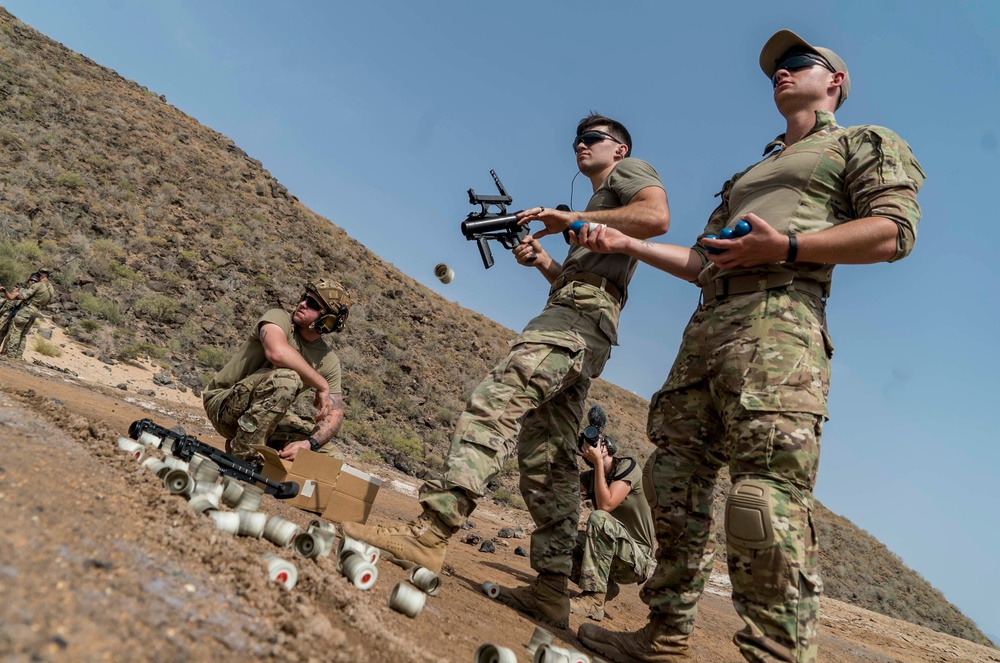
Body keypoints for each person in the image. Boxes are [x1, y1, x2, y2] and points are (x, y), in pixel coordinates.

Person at [574, 31, 924, 662]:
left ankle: (777, 654)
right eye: (775, 69)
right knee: (674, 482)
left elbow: (894, 232)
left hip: (780, 323)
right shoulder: (750, 174)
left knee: (763, 496)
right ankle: (665, 635)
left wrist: (786, 247)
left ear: (835, 82)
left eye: (798, 64)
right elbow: (699, 261)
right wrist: (628, 246)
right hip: (709, 326)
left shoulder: (860, 142)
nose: (781, 73)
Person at [341, 112, 670, 629]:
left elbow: (656, 218)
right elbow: (579, 279)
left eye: (591, 139)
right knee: (548, 455)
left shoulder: (629, 178)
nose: (579, 146)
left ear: (619, 150)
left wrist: (573, 222)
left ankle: (430, 534)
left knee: (497, 400)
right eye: (576, 140)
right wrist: (543, 259)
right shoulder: (599, 206)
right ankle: (553, 589)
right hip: (581, 318)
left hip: (572, 325)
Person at [202, 279, 350, 463]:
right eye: (305, 297)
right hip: (223, 407)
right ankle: (243, 456)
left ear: (327, 320)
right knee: (288, 379)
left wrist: (309, 444)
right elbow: (277, 353)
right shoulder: (278, 318)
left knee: (331, 458)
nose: (302, 303)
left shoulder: (328, 360)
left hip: (263, 418)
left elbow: (336, 413)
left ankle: (266, 463)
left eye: (312, 304)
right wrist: (321, 384)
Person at [570, 405, 655, 622]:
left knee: (599, 518)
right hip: (612, 552)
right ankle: (604, 587)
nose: (596, 445)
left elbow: (606, 505)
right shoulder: (591, 477)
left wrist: (598, 462)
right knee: (563, 537)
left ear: (607, 442)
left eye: (598, 439)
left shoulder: (628, 467)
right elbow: (562, 493)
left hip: (636, 558)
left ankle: (594, 601)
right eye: (590, 445)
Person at [0, 269, 55, 359]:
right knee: (23, 333)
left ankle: (10, 355)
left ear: (42, 276)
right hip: (36, 311)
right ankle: (18, 356)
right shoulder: (51, 288)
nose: (34, 281)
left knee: (16, 332)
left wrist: (17, 294)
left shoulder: (37, 285)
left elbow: (21, 297)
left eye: (37, 277)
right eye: (31, 279)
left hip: (27, 310)